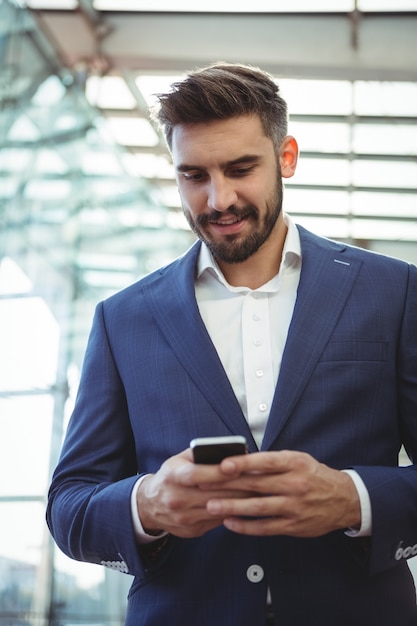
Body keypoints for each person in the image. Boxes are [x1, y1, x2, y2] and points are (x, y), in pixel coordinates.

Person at [47, 63, 417, 626]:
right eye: (193, 175)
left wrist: (353, 498)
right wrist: (147, 505)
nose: (219, 199)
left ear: (286, 157)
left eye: (241, 168)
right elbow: (69, 507)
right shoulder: (123, 319)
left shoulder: (394, 292)